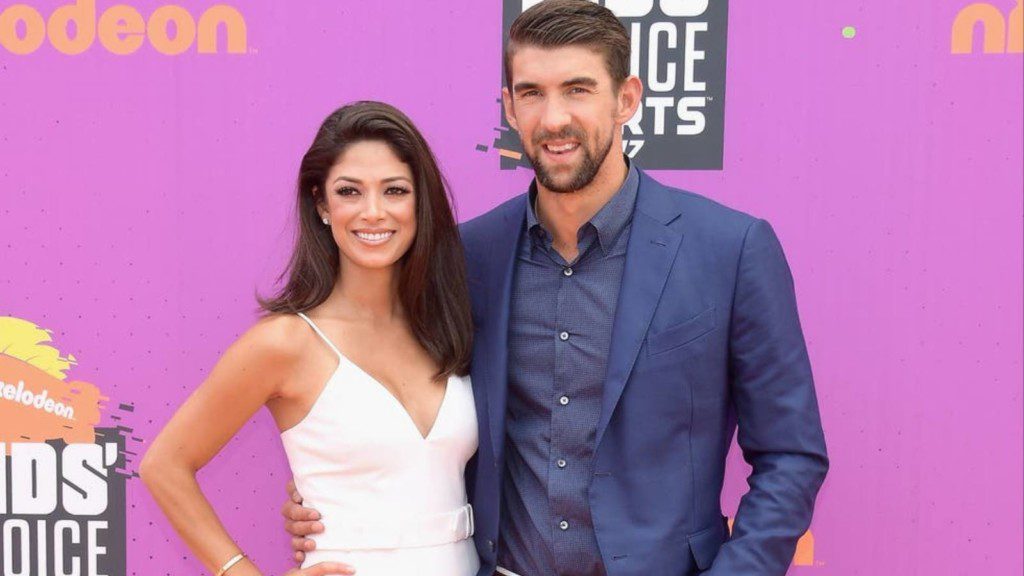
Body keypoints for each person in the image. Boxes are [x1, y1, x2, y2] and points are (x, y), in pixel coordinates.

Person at [285, 1, 829, 575]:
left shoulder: (730, 249)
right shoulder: (466, 257)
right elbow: (403, 411)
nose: (553, 119)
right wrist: (338, 495)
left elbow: (790, 454)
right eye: (531, 93)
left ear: (626, 99)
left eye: (577, 89)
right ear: (509, 108)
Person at [141, 101, 481, 576]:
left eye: (395, 190)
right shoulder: (285, 344)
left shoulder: (450, 327)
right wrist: (239, 570)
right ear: (322, 204)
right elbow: (164, 466)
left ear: (420, 203)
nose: (374, 212)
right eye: (350, 191)